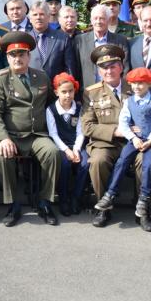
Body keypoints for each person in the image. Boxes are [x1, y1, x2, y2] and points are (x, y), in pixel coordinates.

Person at [0, 32, 60, 227]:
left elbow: (52, 104)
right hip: (11, 135)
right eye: (13, 55)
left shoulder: (41, 76)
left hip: (36, 134)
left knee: (52, 153)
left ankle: (45, 202)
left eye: (21, 54)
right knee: (2, 155)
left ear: (28, 56)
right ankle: (12, 205)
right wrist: (3, 138)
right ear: (7, 57)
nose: (17, 59)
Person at [94, 67, 151, 232]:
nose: (136, 87)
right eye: (133, 84)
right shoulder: (129, 102)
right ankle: (110, 194)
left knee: (149, 164)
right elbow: (123, 123)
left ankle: (144, 200)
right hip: (135, 141)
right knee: (122, 161)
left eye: (141, 84)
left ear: (149, 84)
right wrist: (133, 138)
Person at [81, 44, 134, 227]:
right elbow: (87, 126)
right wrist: (115, 131)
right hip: (105, 142)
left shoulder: (134, 87)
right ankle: (103, 207)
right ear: (99, 71)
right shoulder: (91, 92)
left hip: (133, 141)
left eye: (113, 66)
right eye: (104, 68)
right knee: (98, 161)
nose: (109, 71)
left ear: (121, 67)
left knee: (144, 160)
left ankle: (144, 207)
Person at [47, 73, 88, 216]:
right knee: (64, 164)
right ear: (56, 92)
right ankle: (63, 198)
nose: (68, 95)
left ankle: (76, 197)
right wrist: (66, 150)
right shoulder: (51, 110)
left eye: (71, 91)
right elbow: (53, 134)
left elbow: (81, 132)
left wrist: (76, 149)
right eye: (64, 92)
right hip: (61, 146)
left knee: (85, 164)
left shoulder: (79, 109)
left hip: (76, 145)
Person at [70, 4, 130, 94]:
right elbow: (75, 69)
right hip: (87, 93)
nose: (98, 22)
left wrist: (123, 92)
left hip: (115, 92)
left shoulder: (121, 41)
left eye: (102, 18)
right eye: (95, 18)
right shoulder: (79, 41)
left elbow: (125, 69)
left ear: (108, 20)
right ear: (91, 20)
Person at [27, 0, 69, 80]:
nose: (38, 17)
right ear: (30, 19)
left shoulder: (63, 38)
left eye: (42, 14)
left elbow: (69, 68)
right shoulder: (25, 38)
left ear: (48, 17)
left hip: (56, 86)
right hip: (32, 85)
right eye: (35, 15)